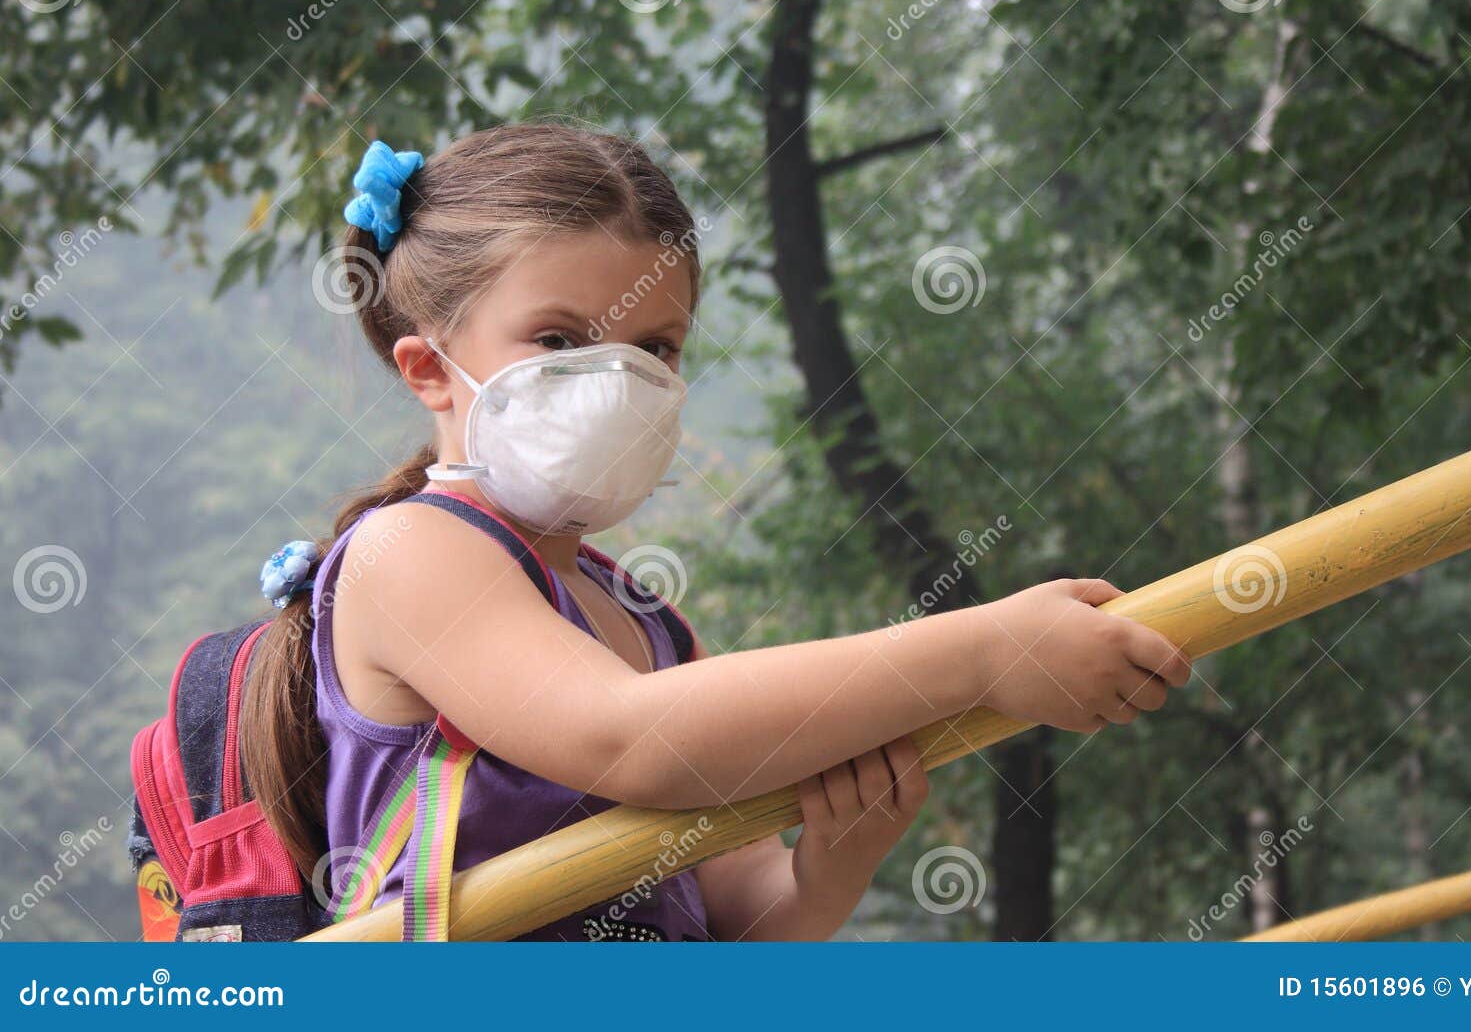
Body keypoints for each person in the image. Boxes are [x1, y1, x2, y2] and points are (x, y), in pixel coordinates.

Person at [240, 123, 1190, 941]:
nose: (616, 379)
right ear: (430, 367)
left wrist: (829, 870)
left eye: (654, 347)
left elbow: (740, 920)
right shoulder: (412, 551)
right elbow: (627, 738)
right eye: (561, 340)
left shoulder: (648, 620)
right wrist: (985, 650)